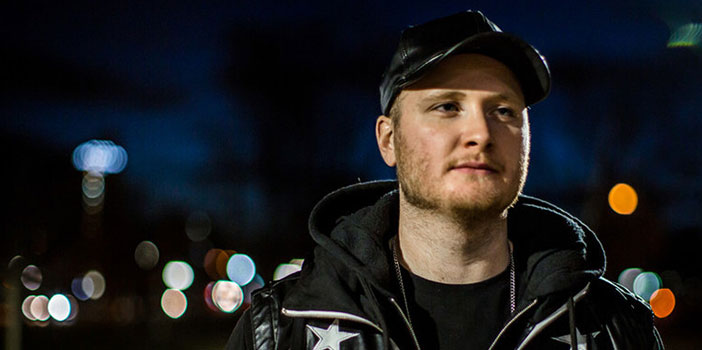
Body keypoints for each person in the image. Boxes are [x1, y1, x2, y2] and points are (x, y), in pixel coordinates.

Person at [226, 10, 663, 350]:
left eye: (504, 111)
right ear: (388, 140)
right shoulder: (283, 327)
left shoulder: (614, 327)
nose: (480, 133)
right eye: (447, 107)